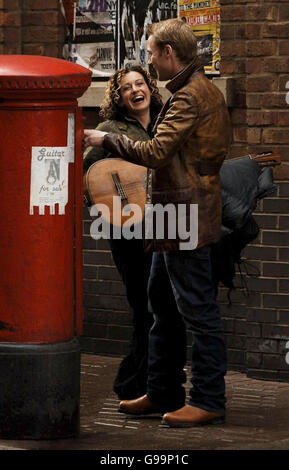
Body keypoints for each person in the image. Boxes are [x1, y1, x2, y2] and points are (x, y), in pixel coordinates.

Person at [83, 18, 232, 427]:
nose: (149, 63)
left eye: (151, 53)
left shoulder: (189, 96)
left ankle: (208, 399)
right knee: (161, 307)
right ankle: (162, 390)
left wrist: (107, 139)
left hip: (184, 215)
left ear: (169, 53)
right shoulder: (194, 90)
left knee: (197, 310)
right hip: (173, 215)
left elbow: (155, 150)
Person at [83, 64, 163, 400]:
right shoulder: (109, 128)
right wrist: (112, 200)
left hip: (164, 223)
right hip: (127, 228)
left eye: (139, 83)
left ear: (150, 88)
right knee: (142, 305)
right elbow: (90, 174)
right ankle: (134, 382)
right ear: (119, 96)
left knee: (159, 306)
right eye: (127, 87)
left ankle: (141, 381)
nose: (134, 90)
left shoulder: (166, 122)